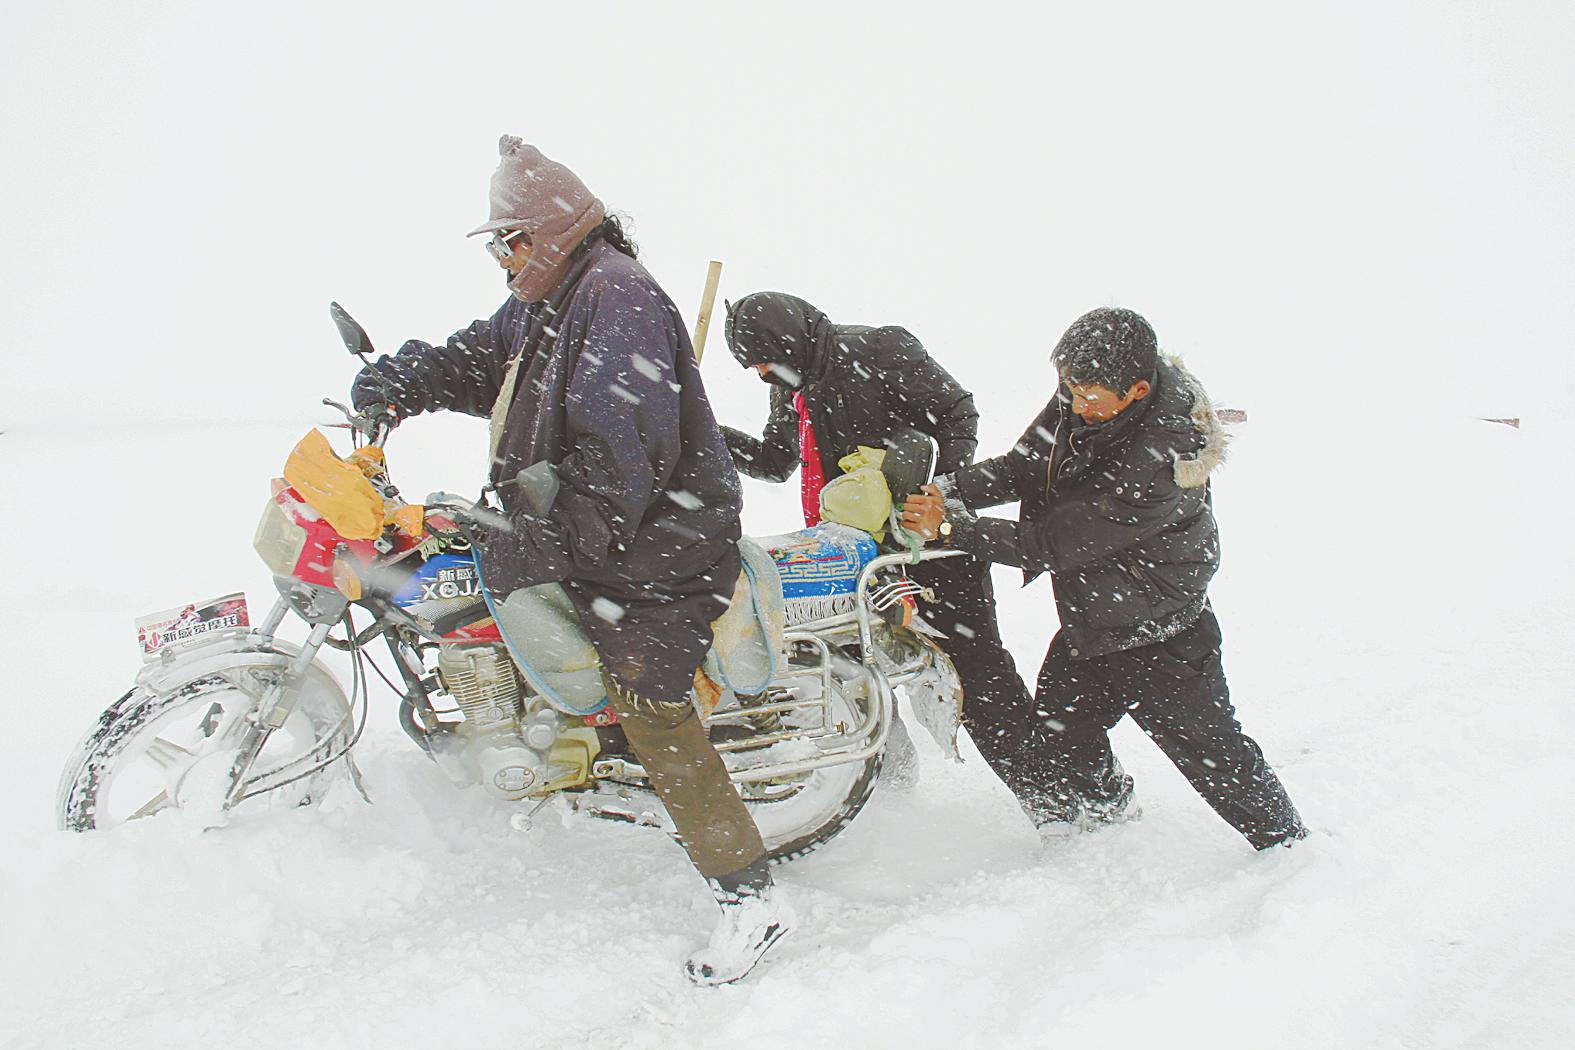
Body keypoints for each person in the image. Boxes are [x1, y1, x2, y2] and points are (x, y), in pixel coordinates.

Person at [350, 137, 788, 984]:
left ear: (548, 229)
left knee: (646, 697)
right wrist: (399, 380)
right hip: (598, 532)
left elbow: (619, 464)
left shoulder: (615, 298)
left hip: (658, 548)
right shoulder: (547, 297)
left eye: (507, 239)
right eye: (496, 244)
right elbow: (481, 357)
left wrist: (532, 539)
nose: (502, 258)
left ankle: (751, 897)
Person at [901, 307, 1306, 850]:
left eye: (1091, 397)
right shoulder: (1083, 394)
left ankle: (1289, 850)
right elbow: (1025, 465)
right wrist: (949, 491)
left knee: (1213, 755)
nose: (1076, 405)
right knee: (1060, 728)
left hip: (1159, 629)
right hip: (1098, 612)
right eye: (1069, 390)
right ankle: (1108, 818)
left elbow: (1053, 543)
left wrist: (949, 527)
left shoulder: (1160, 460)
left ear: (1138, 390)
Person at [719, 293, 1037, 783]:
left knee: (977, 675)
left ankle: (1058, 802)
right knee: (849, 675)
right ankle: (890, 793)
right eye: (755, 368)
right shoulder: (791, 379)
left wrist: (935, 494)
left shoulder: (879, 349)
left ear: (790, 340)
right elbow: (774, 461)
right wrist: (706, 433)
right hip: (849, 555)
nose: (763, 374)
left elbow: (957, 414)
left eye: (766, 361)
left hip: (928, 550)